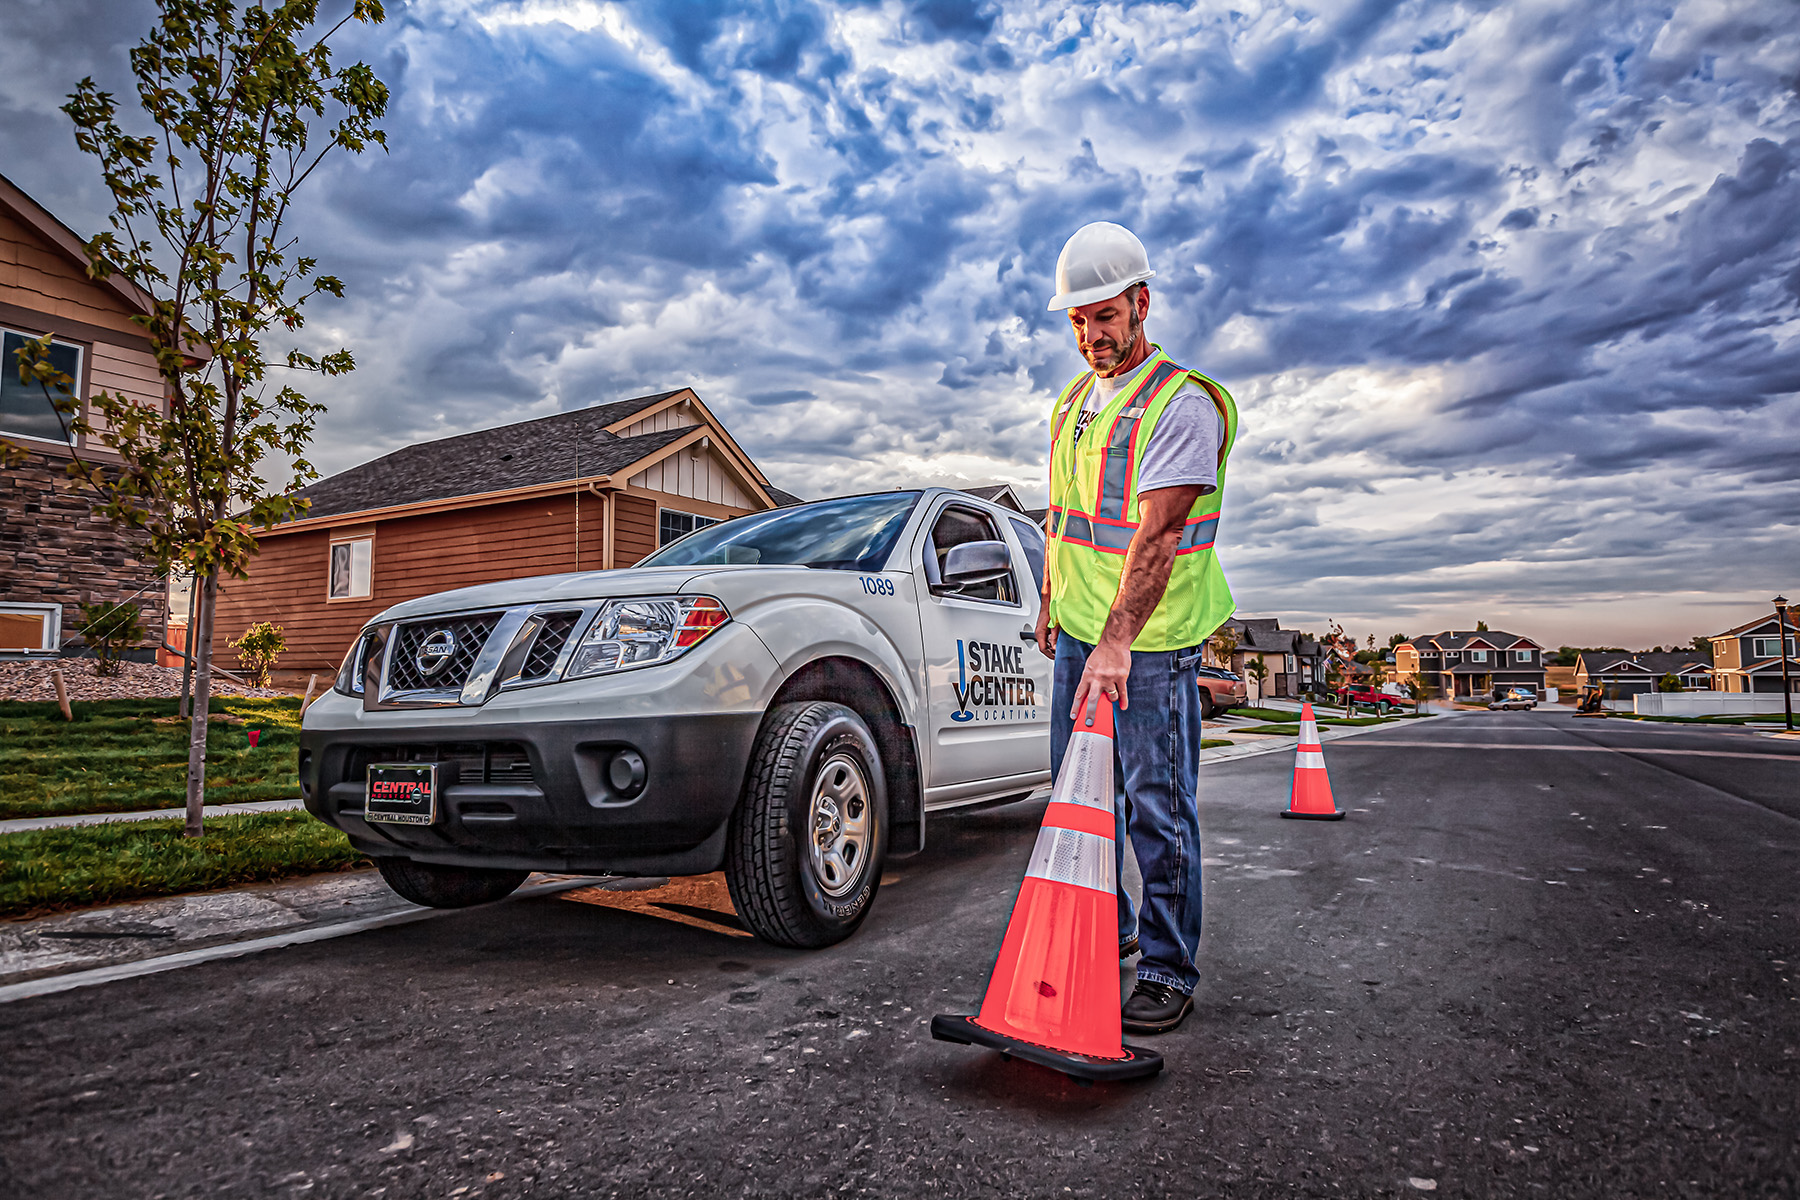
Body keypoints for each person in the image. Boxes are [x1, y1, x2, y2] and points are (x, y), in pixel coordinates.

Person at [1033, 221, 1239, 1035]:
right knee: (1080, 797)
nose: (1092, 334)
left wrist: (1116, 644)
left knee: (1157, 804)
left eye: (1106, 315)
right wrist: (1054, 600)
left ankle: (1165, 963)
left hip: (1148, 644)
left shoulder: (1181, 404)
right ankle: (1109, 925)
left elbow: (1154, 541)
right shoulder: (1071, 405)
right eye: (1078, 320)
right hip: (1082, 633)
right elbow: (1063, 516)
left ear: (1142, 304)